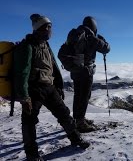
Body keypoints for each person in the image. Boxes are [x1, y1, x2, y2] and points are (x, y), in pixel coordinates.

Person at [14, 14, 90, 161]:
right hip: (33, 89)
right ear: (38, 29)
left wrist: (59, 86)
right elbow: (21, 73)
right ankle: (32, 155)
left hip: (49, 87)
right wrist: (24, 97)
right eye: (46, 27)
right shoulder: (27, 46)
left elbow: (53, 67)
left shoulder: (45, 45)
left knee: (64, 114)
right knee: (29, 121)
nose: (50, 30)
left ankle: (76, 139)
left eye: (50, 26)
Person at [68, 16, 110, 132]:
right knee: (85, 96)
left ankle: (78, 119)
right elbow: (106, 49)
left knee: (78, 95)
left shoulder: (76, 34)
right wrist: (103, 40)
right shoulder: (90, 37)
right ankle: (80, 122)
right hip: (86, 71)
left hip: (75, 70)